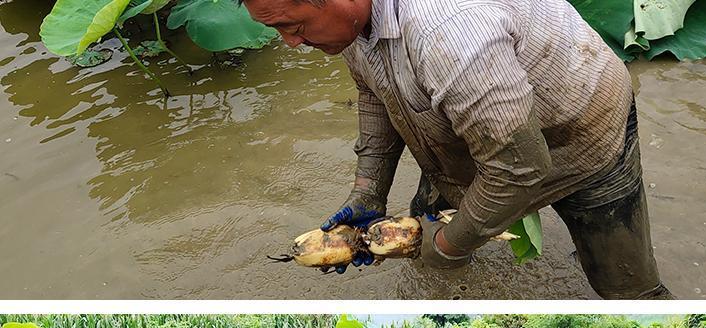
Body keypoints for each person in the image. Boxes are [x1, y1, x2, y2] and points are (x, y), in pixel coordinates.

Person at [242, 0, 672, 299]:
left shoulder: (448, 30)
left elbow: (518, 168)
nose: (290, 43)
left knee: (624, 283)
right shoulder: (352, 28)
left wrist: (449, 245)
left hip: (579, 134)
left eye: (294, 27)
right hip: (464, 133)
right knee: (427, 248)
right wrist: (367, 192)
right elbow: (373, 94)